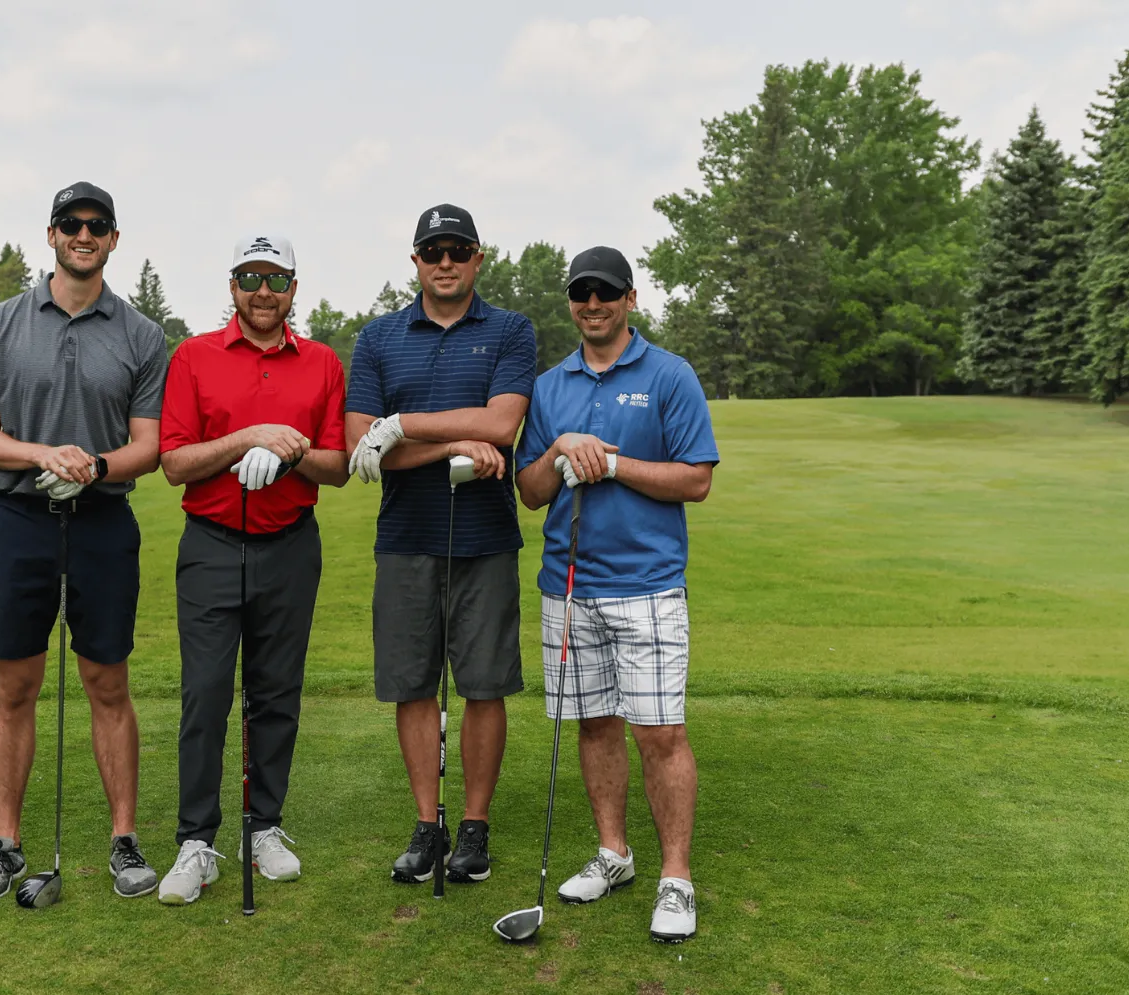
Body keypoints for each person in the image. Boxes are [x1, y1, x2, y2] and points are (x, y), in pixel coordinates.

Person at [0, 181, 168, 902]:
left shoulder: (142, 335)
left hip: (103, 522)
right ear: (51, 234)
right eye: (71, 223)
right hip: (17, 521)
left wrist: (96, 467)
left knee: (107, 682)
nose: (84, 234)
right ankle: (6, 845)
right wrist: (44, 454)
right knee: (15, 684)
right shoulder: (0, 323)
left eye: (97, 225)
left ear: (113, 239)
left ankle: (124, 840)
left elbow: (149, 446)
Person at [515, 246, 719, 943]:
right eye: (582, 293)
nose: (593, 304)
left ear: (630, 298)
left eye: (606, 292)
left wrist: (611, 462)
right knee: (595, 723)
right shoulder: (550, 387)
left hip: (647, 585)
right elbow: (530, 491)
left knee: (660, 732)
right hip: (569, 586)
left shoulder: (668, 374)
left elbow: (696, 479)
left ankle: (676, 878)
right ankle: (614, 854)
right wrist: (559, 450)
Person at [155, 234, 349, 905]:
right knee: (206, 693)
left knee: (276, 693)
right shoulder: (194, 355)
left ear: (294, 288)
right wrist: (249, 437)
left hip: (290, 545)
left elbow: (338, 465)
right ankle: (195, 840)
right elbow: (174, 461)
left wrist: (290, 454)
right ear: (232, 285)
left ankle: (263, 827)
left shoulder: (322, 362)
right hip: (212, 543)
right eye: (250, 278)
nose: (263, 291)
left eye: (276, 279)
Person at [346, 204, 537, 885]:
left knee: (484, 685)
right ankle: (428, 826)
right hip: (405, 538)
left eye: (458, 250)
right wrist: (453, 439)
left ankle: (475, 827)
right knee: (413, 685)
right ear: (416, 262)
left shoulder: (511, 330)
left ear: (478, 257)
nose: (446, 262)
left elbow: (502, 425)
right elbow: (362, 449)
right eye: (433, 251)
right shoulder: (378, 338)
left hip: (486, 539)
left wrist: (401, 425)